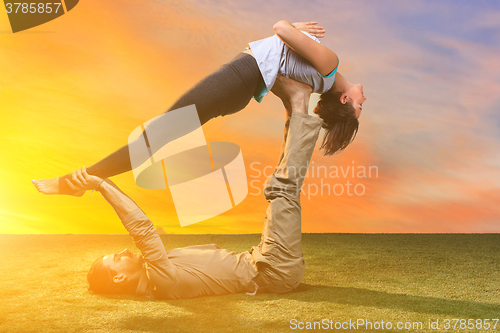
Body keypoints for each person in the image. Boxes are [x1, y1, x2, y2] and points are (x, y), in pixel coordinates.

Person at [58, 76, 326, 298]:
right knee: (282, 189)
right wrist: (101, 185)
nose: (123, 251)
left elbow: (135, 218)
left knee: (278, 187)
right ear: (119, 278)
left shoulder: (157, 271)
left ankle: (294, 108)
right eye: (116, 258)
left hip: (263, 259)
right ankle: (300, 101)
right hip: (273, 269)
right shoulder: (162, 281)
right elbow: (141, 227)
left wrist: (100, 182)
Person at [32, 20, 366, 196]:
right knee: (157, 136)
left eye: (359, 109)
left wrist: (293, 29)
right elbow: (289, 103)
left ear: (344, 100)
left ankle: (73, 182)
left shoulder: (329, 66)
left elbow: (279, 28)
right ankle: (81, 181)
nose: (364, 102)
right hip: (237, 88)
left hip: (236, 80)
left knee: (155, 136)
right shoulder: (317, 83)